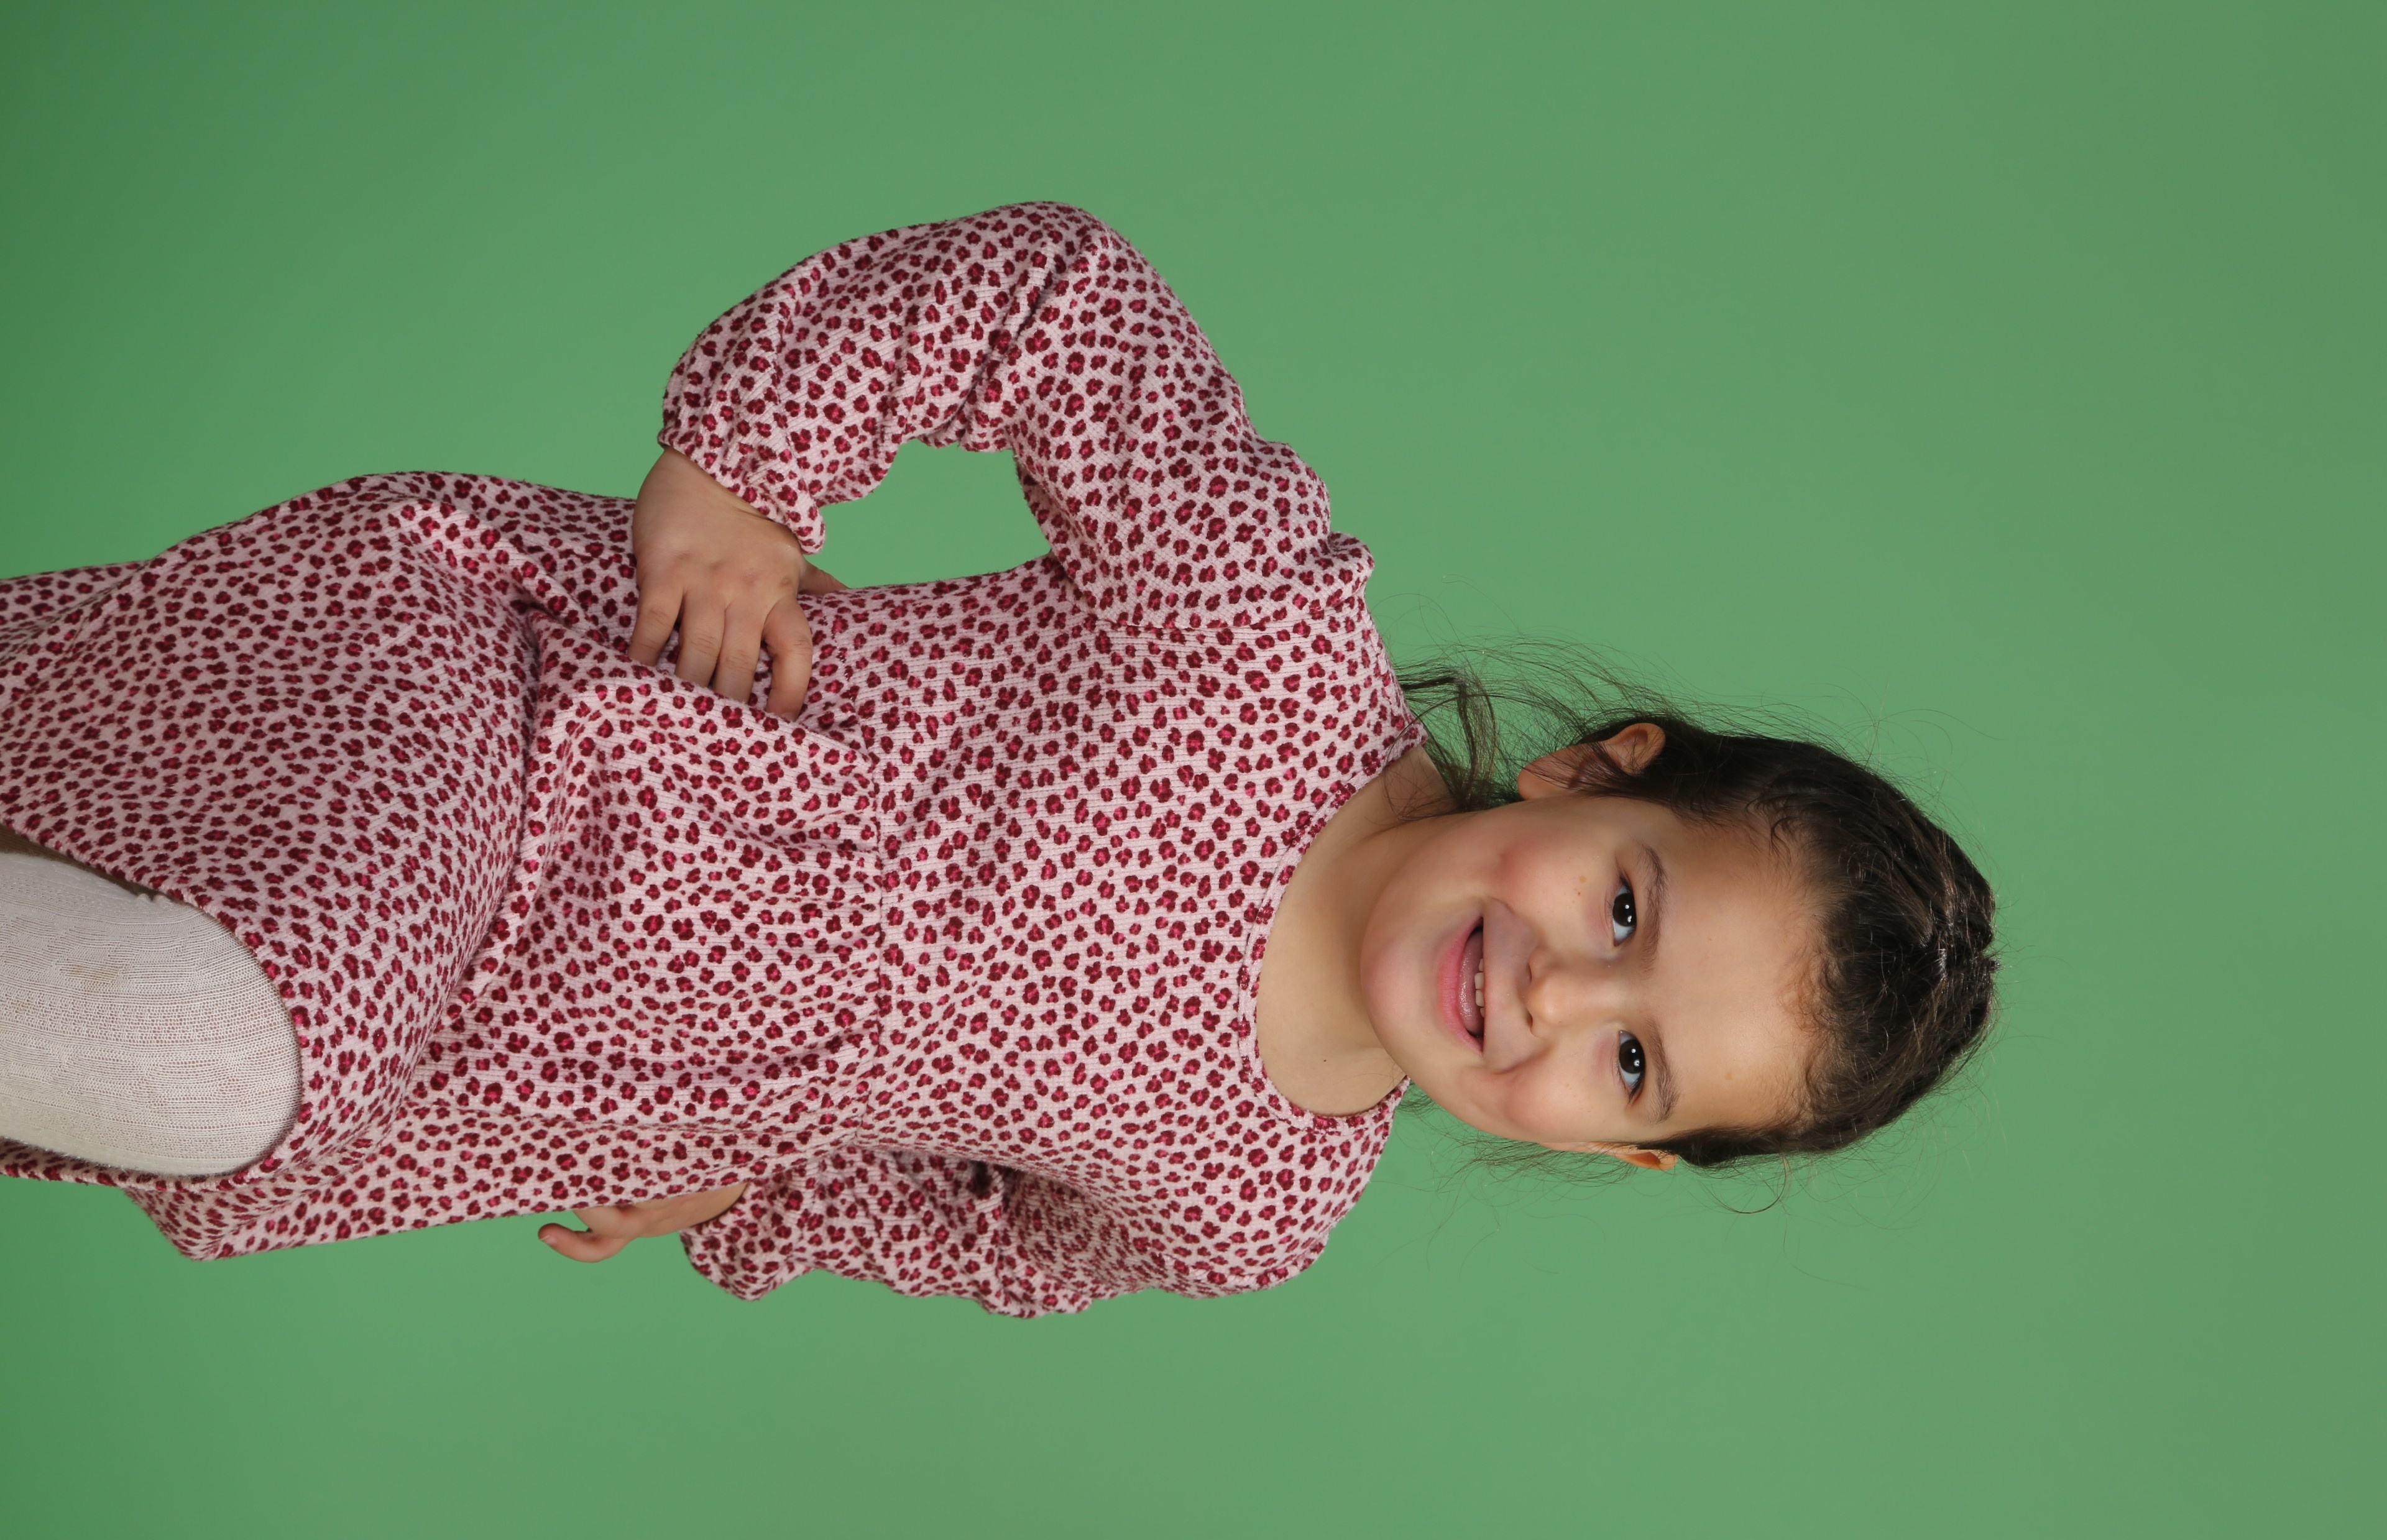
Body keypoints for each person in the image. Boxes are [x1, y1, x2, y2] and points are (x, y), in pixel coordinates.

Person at [0, 204, 1995, 1316]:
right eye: (1628, 910)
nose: (1558, 996)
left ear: (1620, 1151)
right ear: (1594, 772)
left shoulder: (1257, 1203)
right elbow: (1056, 302)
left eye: (1634, 1063)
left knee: (197, 1059)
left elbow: (991, 1237)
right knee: (214, 1046)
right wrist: (753, 467)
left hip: (510, 1065)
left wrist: (756, 1187)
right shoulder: (1266, 641)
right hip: (527, 734)